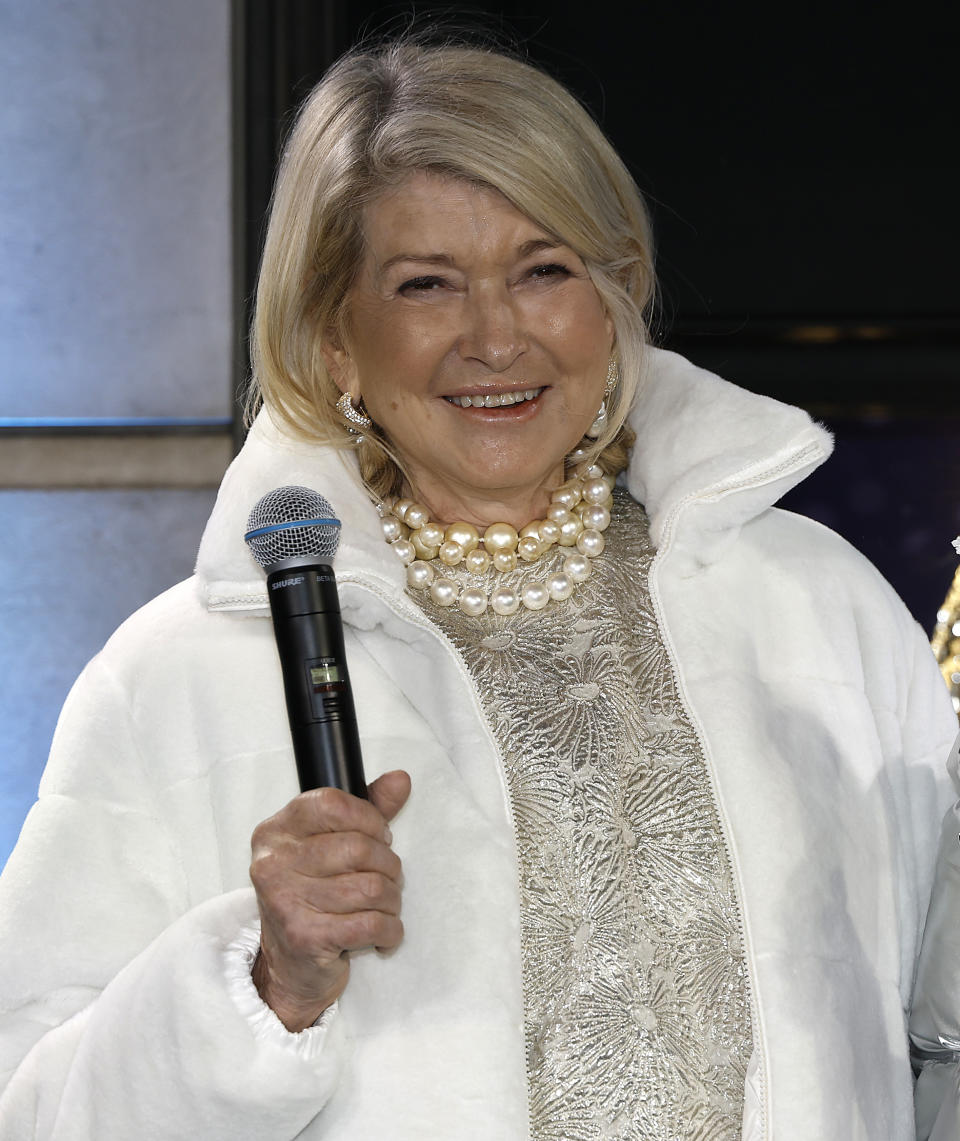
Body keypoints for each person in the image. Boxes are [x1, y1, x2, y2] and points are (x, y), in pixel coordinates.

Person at [0, 37, 956, 1141]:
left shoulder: (815, 606)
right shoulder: (179, 676)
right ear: (333, 340)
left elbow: (937, 1047)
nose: (496, 338)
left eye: (545, 270)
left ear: (616, 300)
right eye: (426, 286)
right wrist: (267, 986)